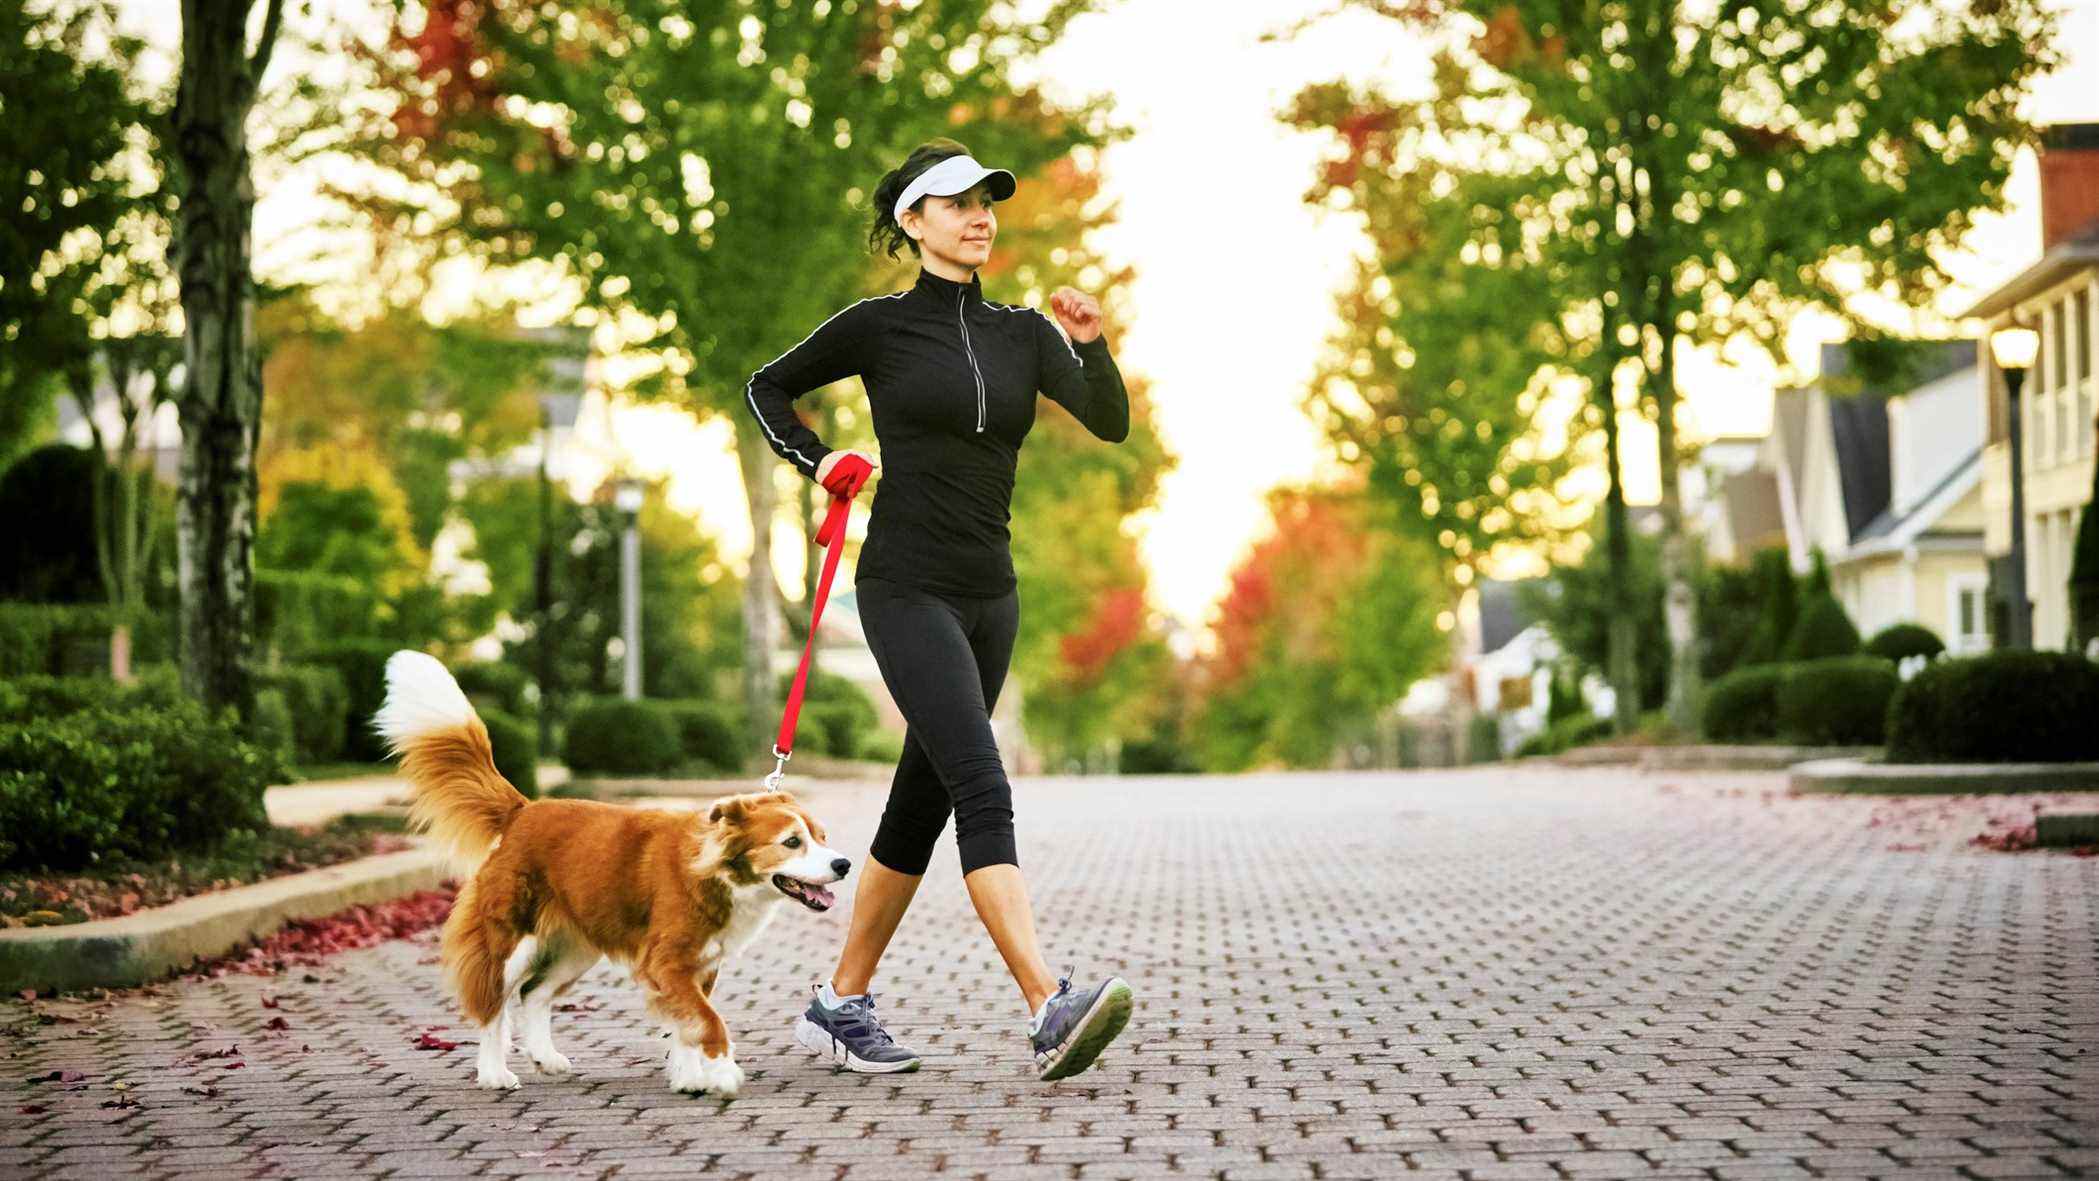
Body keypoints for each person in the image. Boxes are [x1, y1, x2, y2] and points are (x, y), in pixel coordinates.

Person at [742, 137, 1134, 1082]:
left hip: (990, 595)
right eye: (955, 202)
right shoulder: (878, 327)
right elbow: (768, 386)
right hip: (904, 586)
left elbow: (1110, 420)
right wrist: (819, 457)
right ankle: (1048, 1002)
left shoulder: (1025, 332)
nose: (978, 215)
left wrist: (1091, 343)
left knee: (919, 804)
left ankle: (838, 1003)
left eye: (987, 201)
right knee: (979, 783)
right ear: (912, 222)